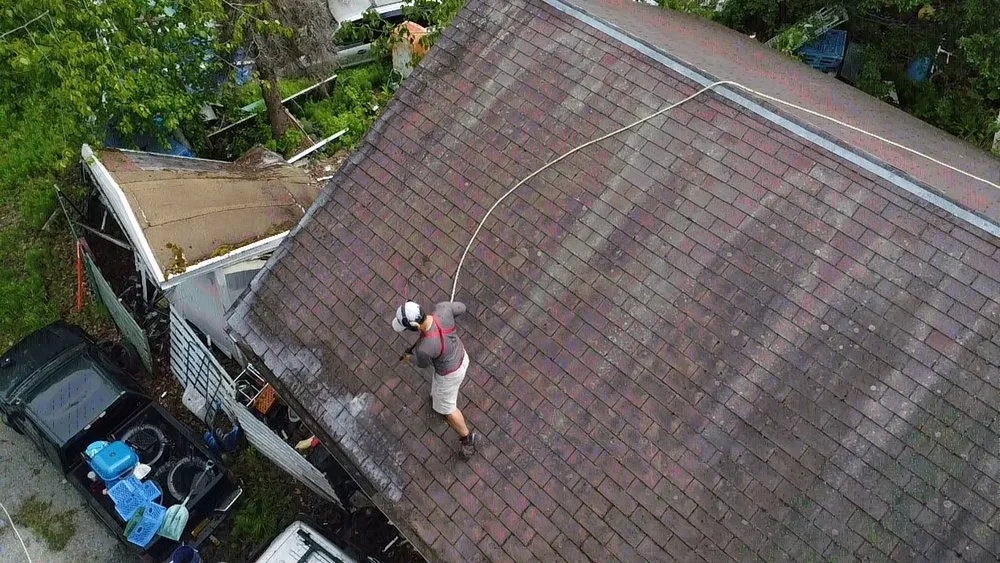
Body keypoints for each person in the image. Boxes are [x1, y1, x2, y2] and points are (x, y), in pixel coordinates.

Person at [393, 300, 479, 459]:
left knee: (447, 409)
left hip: (449, 375)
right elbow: (462, 307)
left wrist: (409, 359)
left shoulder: (424, 348)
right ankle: (437, 398)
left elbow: (423, 364)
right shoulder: (443, 308)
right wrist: (449, 315)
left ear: (415, 326)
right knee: (438, 393)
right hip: (461, 356)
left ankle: (468, 438)